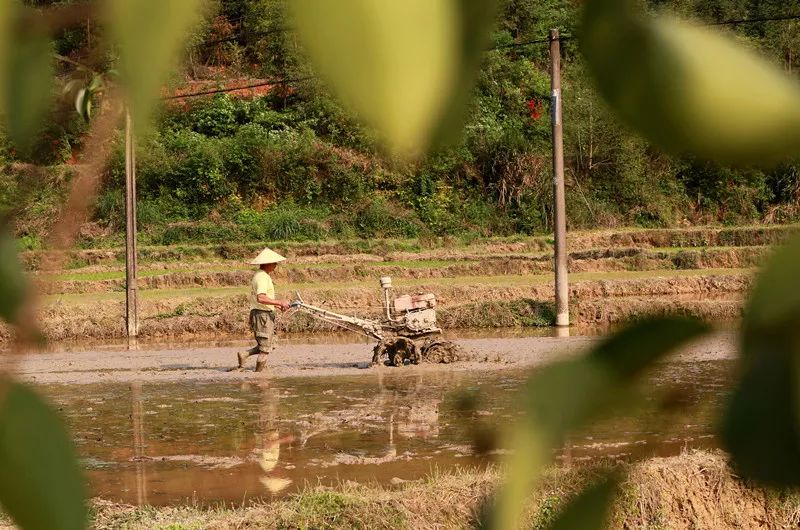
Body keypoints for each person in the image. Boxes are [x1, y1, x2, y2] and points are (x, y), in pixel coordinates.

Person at [236, 248, 291, 372]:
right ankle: (259, 375)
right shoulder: (261, 277)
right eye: (274, 263)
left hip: (263, 313)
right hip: (262, 316)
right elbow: (260, 297)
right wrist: (279, 301)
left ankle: (245, 354)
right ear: (266, 263)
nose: (276, 265)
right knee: (265, 349)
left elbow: (265, 299)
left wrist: (277, 305)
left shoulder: (263, 276)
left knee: (267, 344)